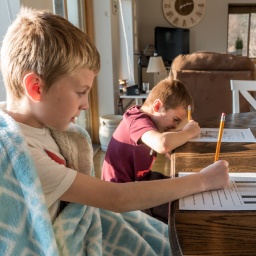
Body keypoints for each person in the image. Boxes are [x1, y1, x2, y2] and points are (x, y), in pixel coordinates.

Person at [0, 7, 229, 254]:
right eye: (81, 92)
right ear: (36, 88)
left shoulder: (43, 127)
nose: (86, 105)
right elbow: (116, 198)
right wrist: (204, 180)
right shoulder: (23, 155)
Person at [101, 78, 201, 223]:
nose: (175, 127)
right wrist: (188, 132)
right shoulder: (136, 120)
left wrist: (179, 133)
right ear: (157, 106)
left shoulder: (151, 123)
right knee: (182, 208)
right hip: (122, 197)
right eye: (175, 120)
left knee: (186, 190)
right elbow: (162, 144)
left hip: (141, 181)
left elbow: (166, 142)